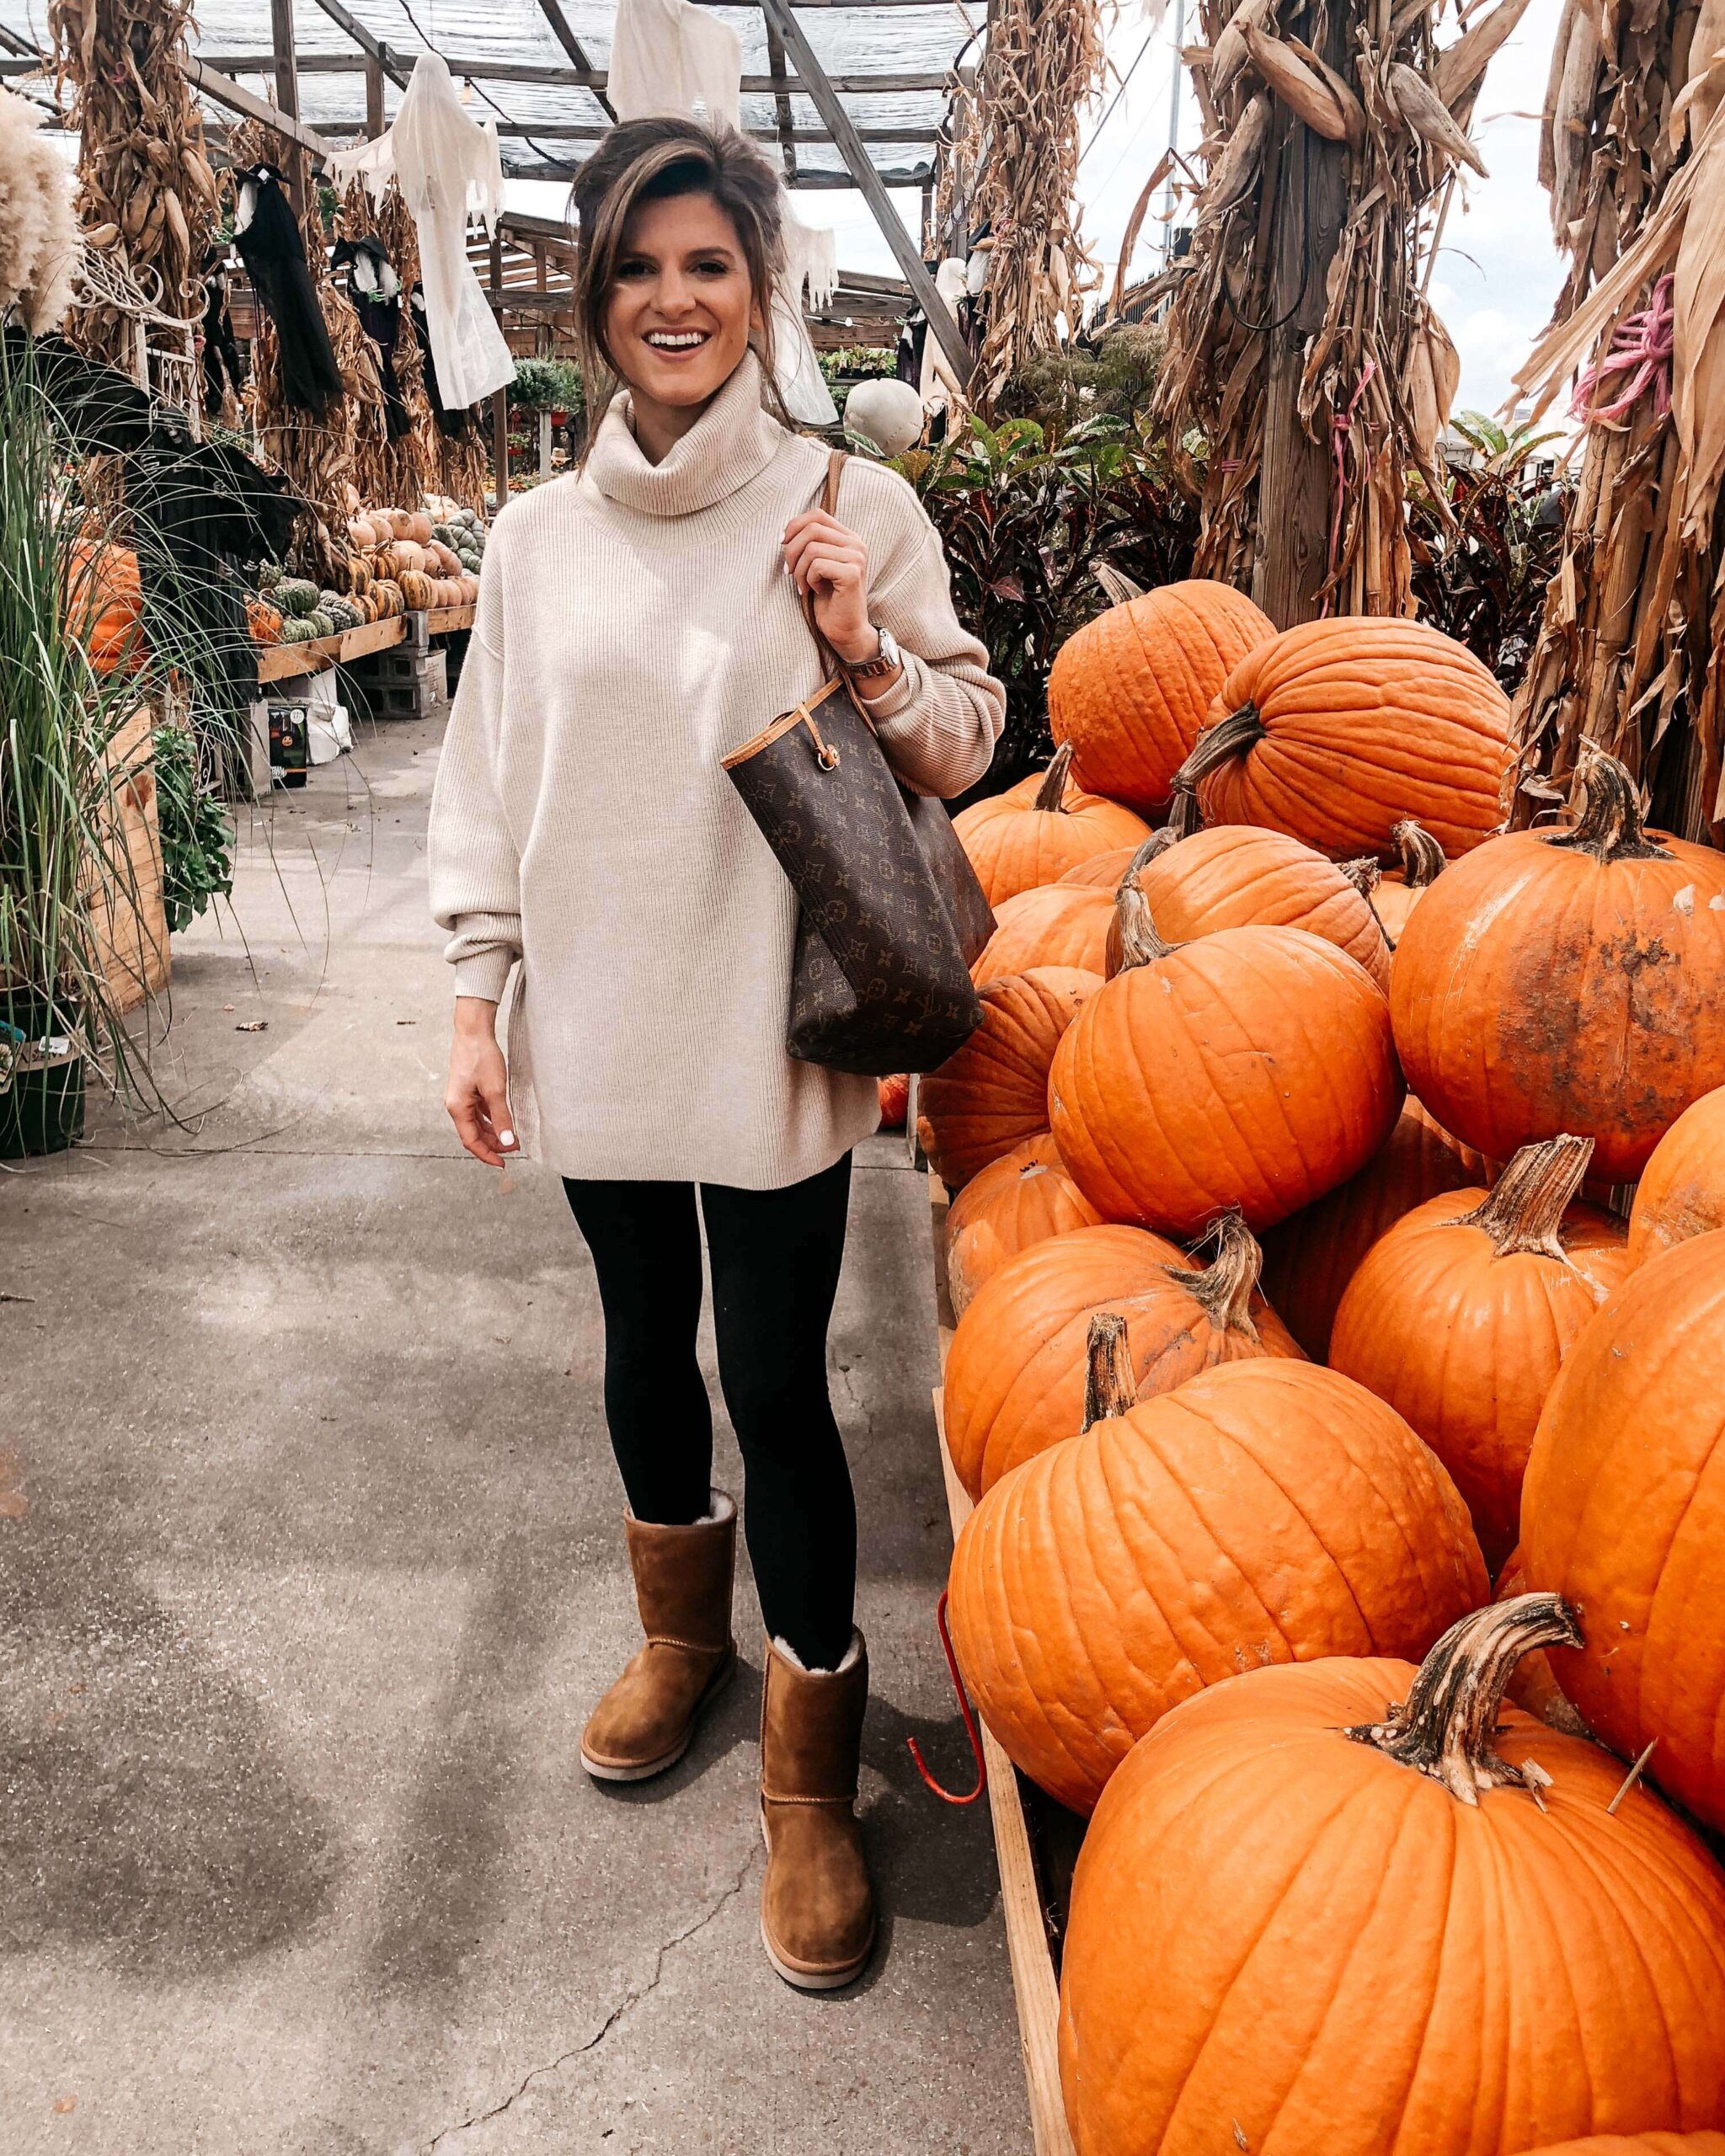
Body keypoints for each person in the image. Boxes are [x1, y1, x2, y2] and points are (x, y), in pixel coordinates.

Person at [427, 116, 1002, 1991]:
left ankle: (808, 1763)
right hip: (594, 1008)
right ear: (592, 300)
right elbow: (485, 780)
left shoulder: (850, 502)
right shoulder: (530, 535)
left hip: (769, 1025)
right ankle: (681, 1637)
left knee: (773, 1370)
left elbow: (970, 737)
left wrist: (868, 644)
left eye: (708, 266)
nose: (670, 299)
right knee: (637, 1339)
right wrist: (471, 992)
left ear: (761, 296)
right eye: (637, 268)